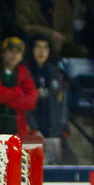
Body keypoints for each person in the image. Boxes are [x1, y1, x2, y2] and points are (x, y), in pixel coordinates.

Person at [25, 34, 70, 163]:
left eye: (45, 48)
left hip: (52, 132)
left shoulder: (55, 72)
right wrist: (32, 128)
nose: (41, 51)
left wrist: (62, 126)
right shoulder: (25, 71)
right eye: (38, 47)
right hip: (32, 131)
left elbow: (63, 102)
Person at [14, 0, 87, 58]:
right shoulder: (24, 2)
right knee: (53, 47)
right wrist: (50, 34)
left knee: (81, 51)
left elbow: (70, 32)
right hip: (33, 42)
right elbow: (24, 27)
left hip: (60, 44)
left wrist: (62, 39)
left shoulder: (63, 3)